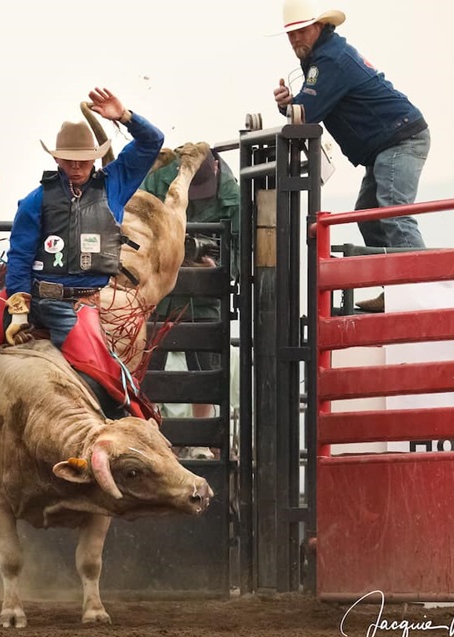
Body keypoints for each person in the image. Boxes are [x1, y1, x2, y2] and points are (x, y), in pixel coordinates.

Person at [0, 87, 164, 461]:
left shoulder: (116, 184)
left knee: (102, 373)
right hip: (34, 297)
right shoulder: (35, 200)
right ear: (57, 159)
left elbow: (153, 141)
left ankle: (126, 436)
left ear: (94, 159)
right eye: (70, 161)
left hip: (77, 305)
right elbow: (22, 255)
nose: (76, 168)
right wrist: (19, 305)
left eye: (83, 161)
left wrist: (124, 117)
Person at [272, 0, 430, 312]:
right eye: (290, 35)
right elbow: (306, 110)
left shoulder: (329, 61)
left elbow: (306, 113)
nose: (295, 40)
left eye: (300, 31)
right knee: (370, 213)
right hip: (394, 139)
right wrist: (290, 106)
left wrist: (288, 107)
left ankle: (421, 290)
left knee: (392, 213)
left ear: (318, 27)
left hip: (398, 140)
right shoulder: (330, 56)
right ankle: (401, 291)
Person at [140, 148, 239, 441]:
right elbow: (137, 224)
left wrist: (218, 266)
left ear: (217, 168)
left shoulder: (233, 197)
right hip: (158, 292)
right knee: (147, 371)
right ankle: (148, 436)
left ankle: (205, 443)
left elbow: (240, 249)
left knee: (207, 372)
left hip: (204, 298)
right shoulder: (157, 180)